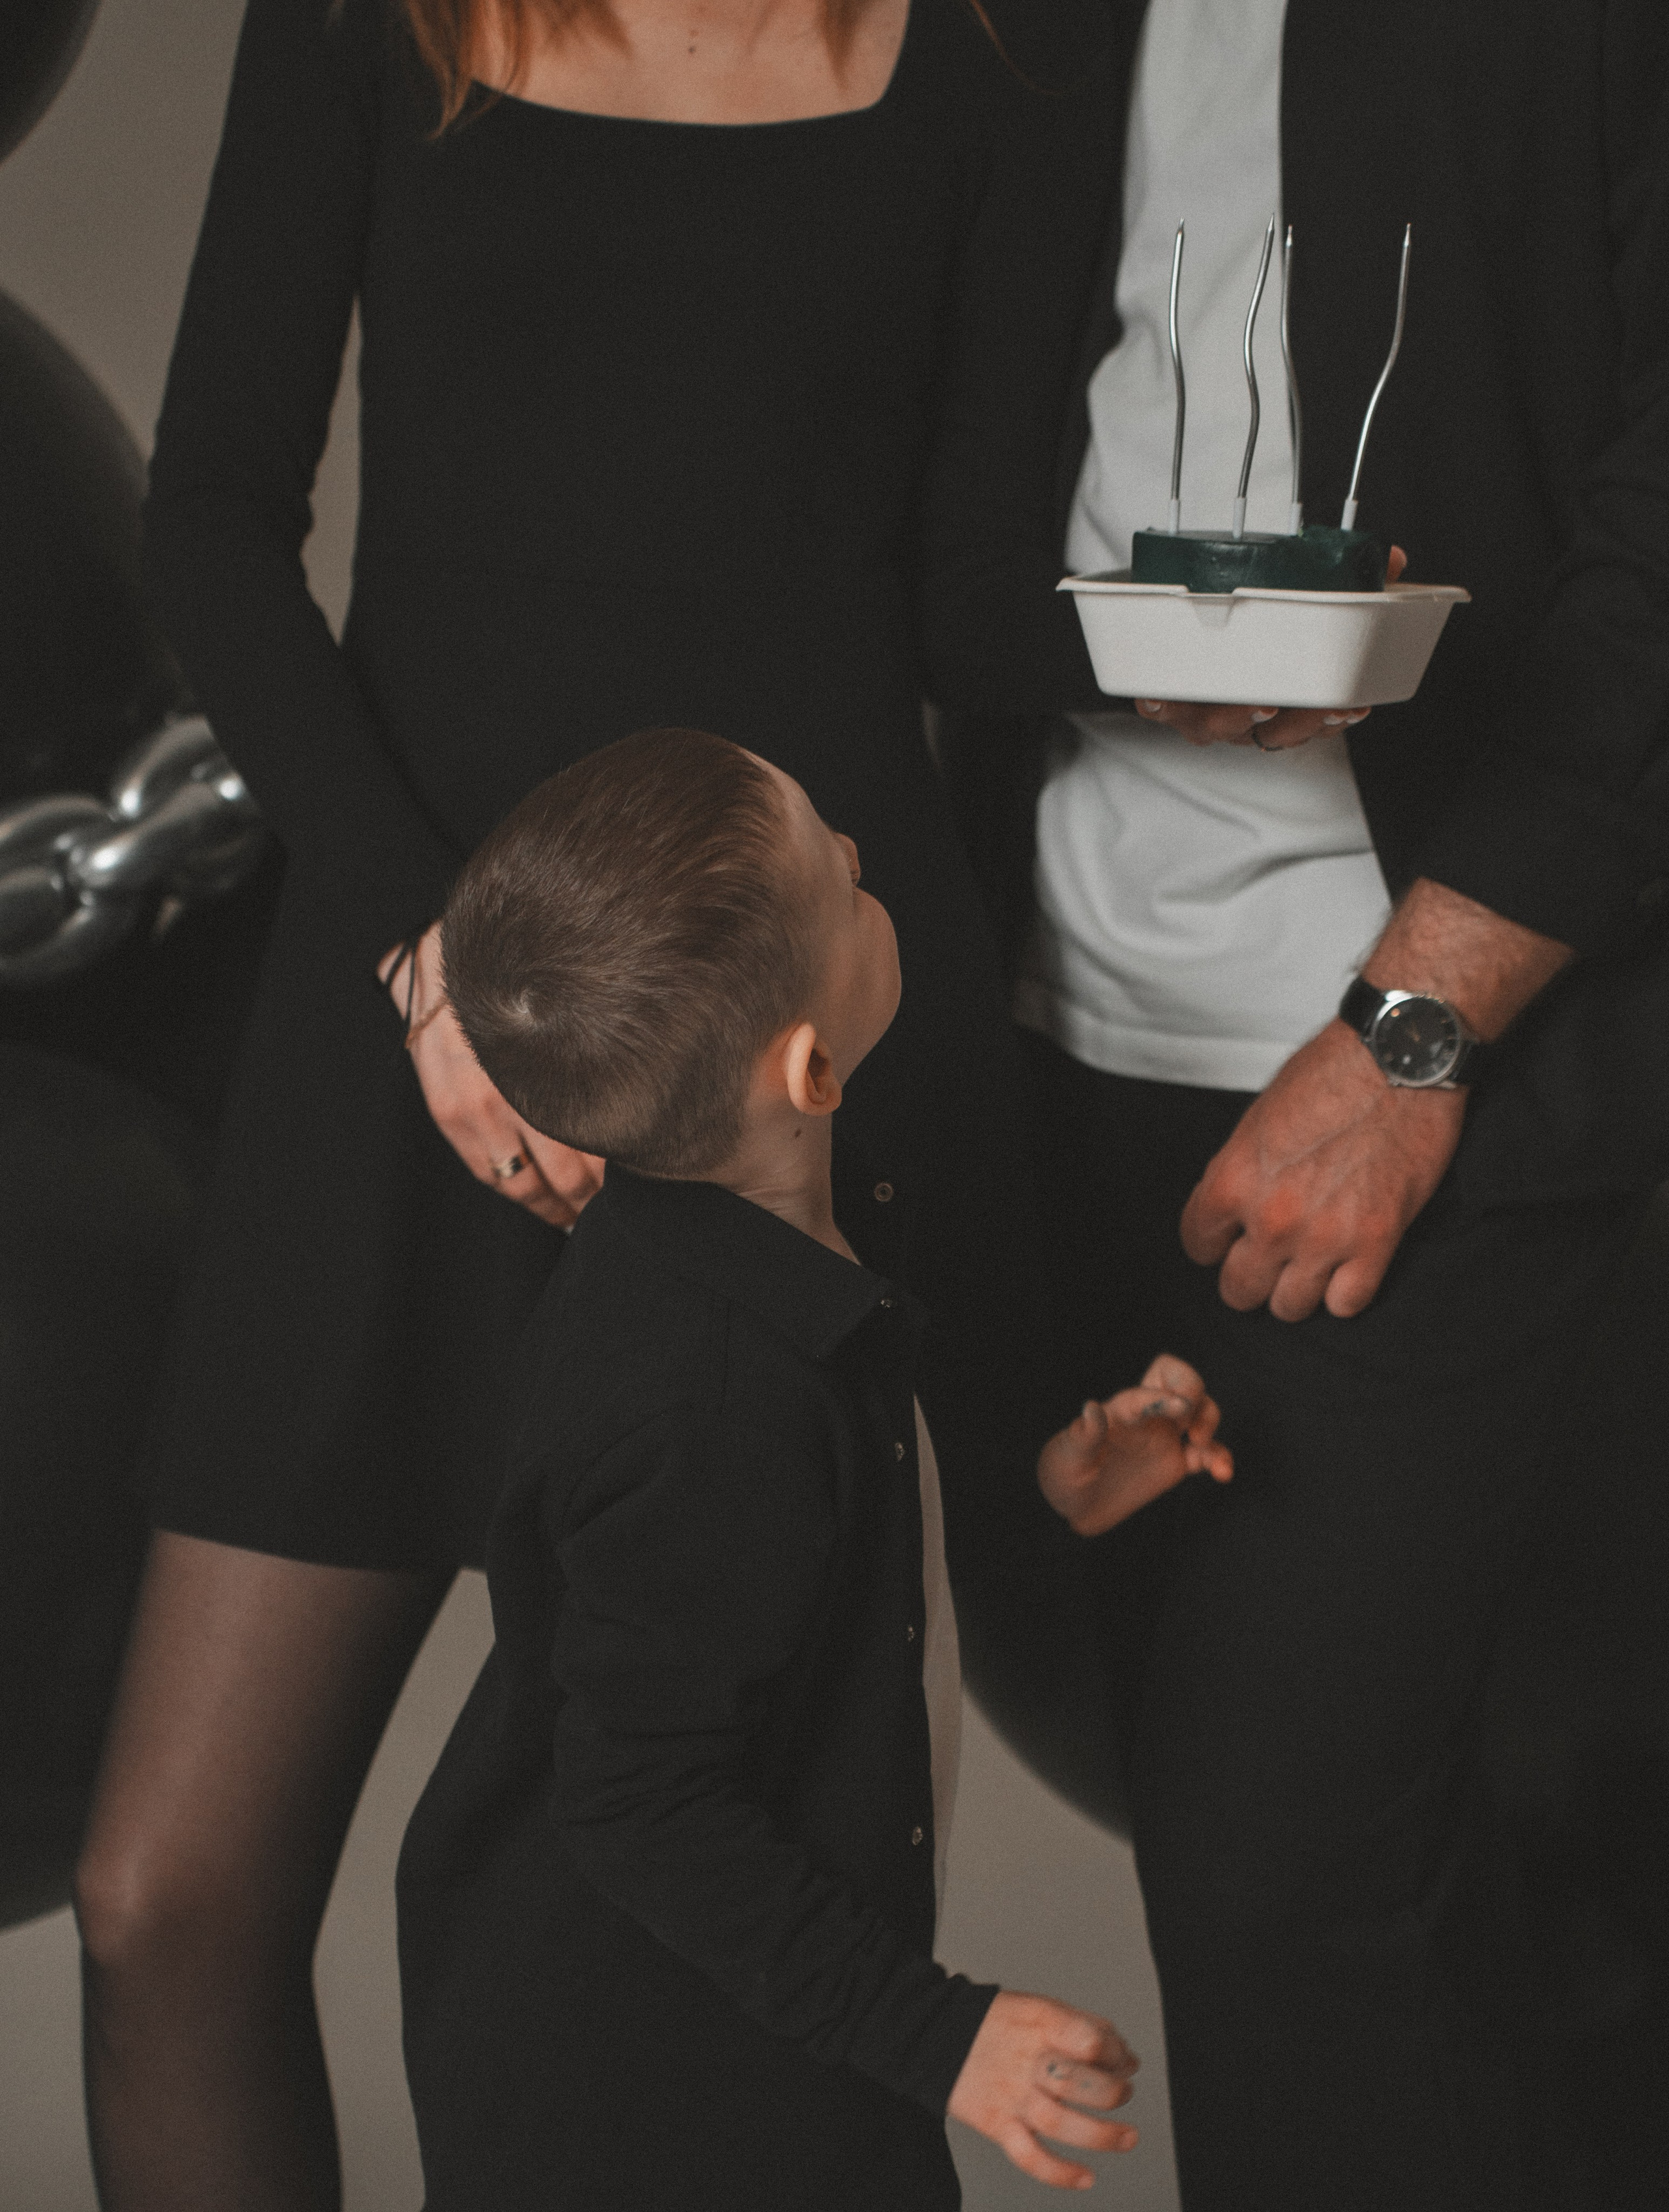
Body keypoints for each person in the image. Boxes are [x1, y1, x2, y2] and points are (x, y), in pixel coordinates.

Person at [68, 3, 1127, 2205]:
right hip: (404, 1031)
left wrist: (1197, 675)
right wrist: (437, 968)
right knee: (168, 1899)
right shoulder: (377, 21)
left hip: (788, 1080)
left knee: (741, 1952)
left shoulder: (1020, 46)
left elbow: (969, 604)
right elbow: (214, 525)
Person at [928, 2, 1669, 2207]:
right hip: (1055, 1067)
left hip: (1441, 1068)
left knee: (1317, 1894)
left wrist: (1411, 1036)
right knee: (1300, 1909)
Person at [396, 724, 1233, 2209]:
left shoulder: (744, 1259)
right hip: (645, 2073)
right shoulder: (712, 1393)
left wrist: (1043, 1489)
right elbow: (641, 1802)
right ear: (810, 1066)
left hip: (726, 2011)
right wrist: (939, 2036)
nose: (858, 857)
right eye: (835, 871)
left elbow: (816, 1554)